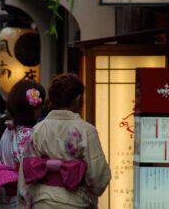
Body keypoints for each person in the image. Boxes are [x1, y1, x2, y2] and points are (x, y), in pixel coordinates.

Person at [17, 73, 111, 209]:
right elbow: (98, 178)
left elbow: (26, 173)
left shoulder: (38, 130)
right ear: (78, 98)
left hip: (42, 202)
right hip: (75, 202)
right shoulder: (86, 131)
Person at [0, 80, 46, 209]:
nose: (42, 109)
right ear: (32, 107)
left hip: (7, 198)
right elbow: (30, 169)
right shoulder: (29, 134)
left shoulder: (8, 130)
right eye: (40, 106)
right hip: (22, 197)